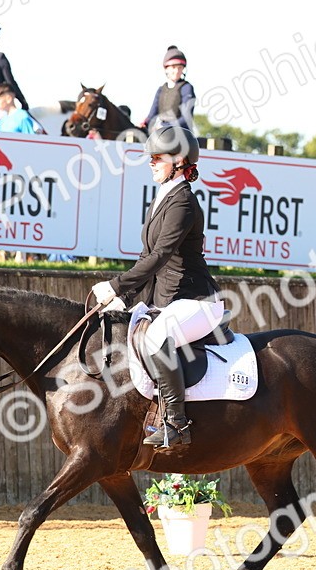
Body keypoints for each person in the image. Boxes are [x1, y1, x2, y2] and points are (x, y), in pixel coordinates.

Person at [91, 125, 221, 449]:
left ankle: (177, 423)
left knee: (157, 337)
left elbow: (161, 256)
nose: (151, 162)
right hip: (167, 298)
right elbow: (146, 255)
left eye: (157, 157)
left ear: (178, 160)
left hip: (197, 299)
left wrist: (116, 286)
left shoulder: (183, 203)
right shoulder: (163, 198)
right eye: (150, 157)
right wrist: (126, 297)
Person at [143, 46, 197, 133]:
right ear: (166, 69)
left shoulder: (187, 88)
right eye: (173, 67)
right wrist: (144, 124)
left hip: (181, 133)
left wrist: (166, 126)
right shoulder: (161, 90)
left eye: (180, 68)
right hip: (162, 131)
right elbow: (152, 115)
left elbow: (186, 117)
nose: (176, 71)